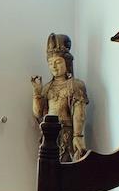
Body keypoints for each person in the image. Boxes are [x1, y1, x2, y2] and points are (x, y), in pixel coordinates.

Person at [30, 33, 90, 161]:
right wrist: (36, 93)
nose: (54, 66)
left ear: (67, 63)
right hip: (48, 136)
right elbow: (38, 113)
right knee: (48, 171)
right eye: (50, 63)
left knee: (66, 169)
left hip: (66, 135)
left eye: (58, 62)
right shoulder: (47, 88)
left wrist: (78, 136)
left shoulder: (75, 85)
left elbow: (79, 113)